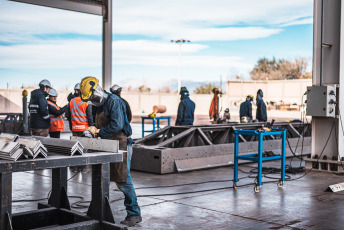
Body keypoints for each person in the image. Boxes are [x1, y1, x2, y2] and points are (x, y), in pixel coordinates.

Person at [80, 76, 142, 227]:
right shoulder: (98, 105)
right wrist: (92, 129)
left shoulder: (113, 101)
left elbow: (116, 125)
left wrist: (98, 132)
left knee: (123, 180)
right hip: (108, 145)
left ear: (98, 89)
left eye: (93, 97)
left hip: (121, 144)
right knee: (101, 177)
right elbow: (98, 124)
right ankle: (98, 211)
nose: (93, 100)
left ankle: (134, 214)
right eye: (90, 99)